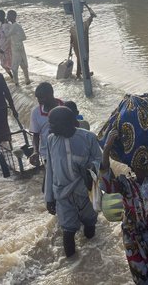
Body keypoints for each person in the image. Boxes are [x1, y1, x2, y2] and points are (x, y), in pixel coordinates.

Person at [100, 130, 148, 284]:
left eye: (146, 165)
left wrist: (107, 149)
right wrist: (106, 150)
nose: (144, 169)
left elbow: (106, 183)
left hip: (144, 236)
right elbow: (107, 186)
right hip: (145, 236)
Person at [44, 106, 102, 257]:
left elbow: (100, 160)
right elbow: (50, 169)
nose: (50, 127)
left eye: (53, 124)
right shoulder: (51, 140)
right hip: (62, 194)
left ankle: (93, 258)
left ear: (69, 123)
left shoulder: (88, 137)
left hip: (85, 192)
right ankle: (72, 267)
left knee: (90, 225)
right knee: (68, 231)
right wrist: (49, 198)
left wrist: (92, 166)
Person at [69, 2, 96, 79]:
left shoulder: (72, 29)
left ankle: (79, 74)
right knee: (84, 59)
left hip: (76, 48)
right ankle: (84, 73)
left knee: (79, 59)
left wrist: (70, 50)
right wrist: (87, 6)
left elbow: (71, 41)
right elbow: (93, 15)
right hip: (84, 47)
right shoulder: (85, 25)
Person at [5, 10, 30, 86]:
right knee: (23, 65)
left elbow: (7, 35)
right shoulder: (15, 25)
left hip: (17, 49)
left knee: (14, 68)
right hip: (19, 47)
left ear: (13, 16)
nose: (7, 17)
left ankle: (17, 83)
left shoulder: (15, 26)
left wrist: (3, 24)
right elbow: (22, 37)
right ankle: (27, 81)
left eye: (9, 15)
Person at [0, 10, 13, 79]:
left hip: (6, 49)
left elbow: (9, 38)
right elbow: (0, 37)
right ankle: (13, 77)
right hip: (1, 48)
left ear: (2, 16)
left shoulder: (6, 25)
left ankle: (15, 79)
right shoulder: (0, 24)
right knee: (4, 64)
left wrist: (3, 48)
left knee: (9, 64)